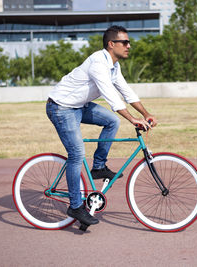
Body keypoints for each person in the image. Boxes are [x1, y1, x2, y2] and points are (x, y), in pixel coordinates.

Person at [46, 25, 157, 227]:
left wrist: (145, 113)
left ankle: (98, 166)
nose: (129, 46)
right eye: (125, 42)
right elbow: (111, 95)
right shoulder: (98, 62)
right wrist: (132, 119)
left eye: (129, 42)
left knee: (112, 121)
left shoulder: (114, 66)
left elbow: (125, 91)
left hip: (79, 106)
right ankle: (75, 206)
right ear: (111, 44)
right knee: (77, 153)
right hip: (61, 108)